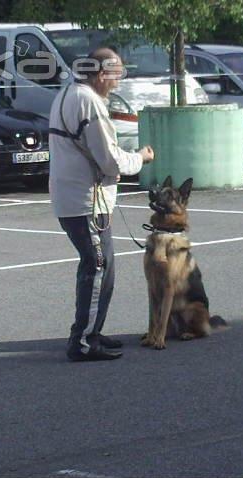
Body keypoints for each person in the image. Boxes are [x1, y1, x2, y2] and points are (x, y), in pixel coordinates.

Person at [48, 48, 154, 362]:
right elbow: (110, 159)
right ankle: (82, 341)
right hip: (86, 200)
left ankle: (92, 331)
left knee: (102, 267)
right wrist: (141, 158)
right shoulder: (88, 101)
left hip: (77, 197)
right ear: (101, 74)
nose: (119, 81)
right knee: (96, 268)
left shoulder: (68, 93)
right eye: (117, 74)